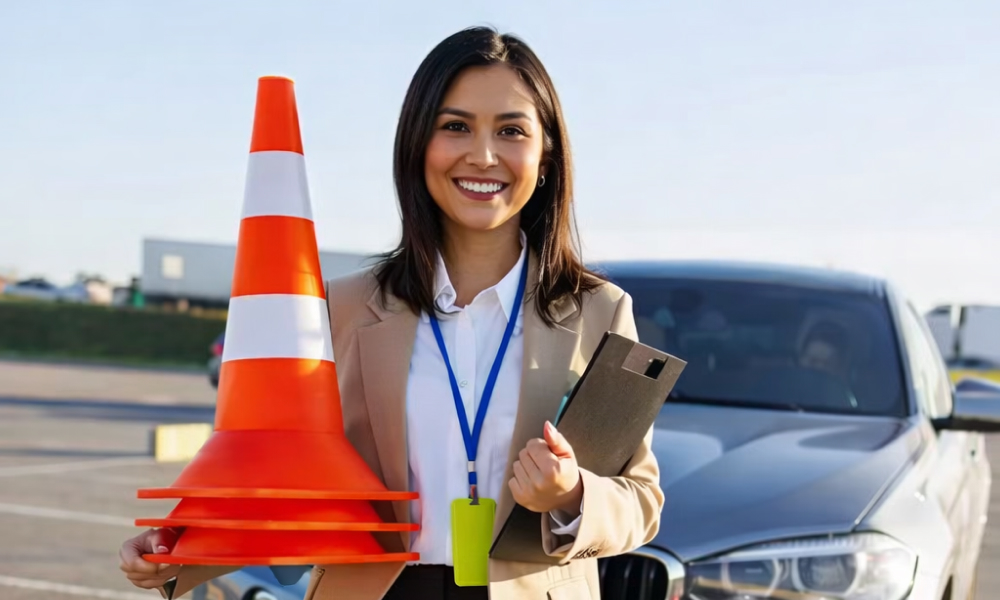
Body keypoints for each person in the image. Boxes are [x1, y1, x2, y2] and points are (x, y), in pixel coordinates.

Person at [118, 26, 663, 600]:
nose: (483, 155)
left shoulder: (599, 311)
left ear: (545, 153)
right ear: (417, 145)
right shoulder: (344, 306)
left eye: (510, 131)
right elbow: (284, 476)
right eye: (455, 127)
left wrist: (573, 495)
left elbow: (642, 499)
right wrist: (175, 553)